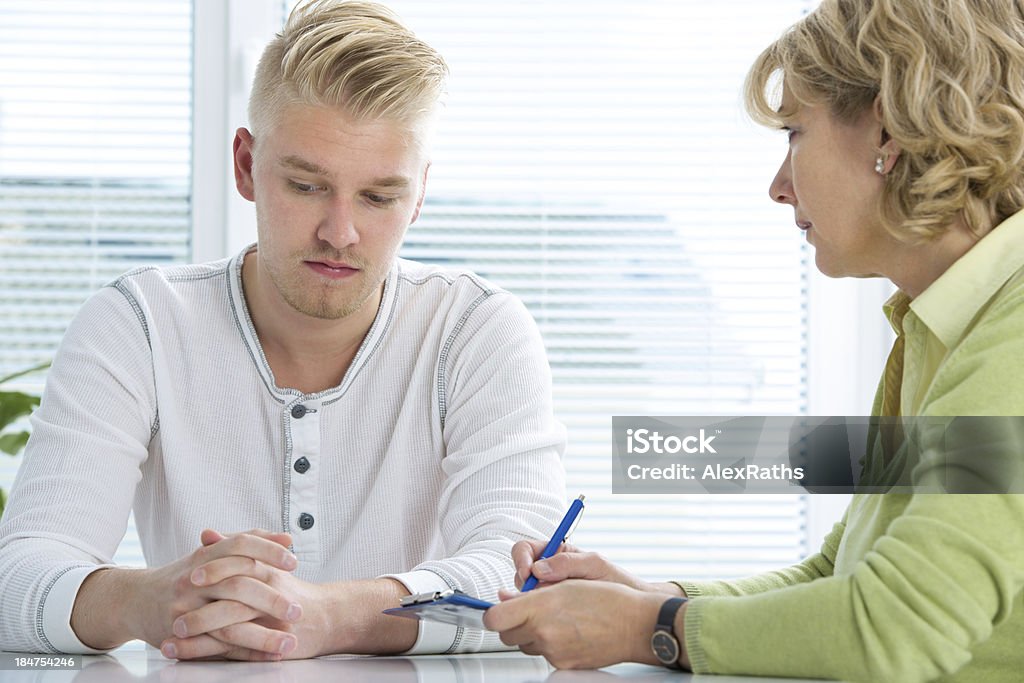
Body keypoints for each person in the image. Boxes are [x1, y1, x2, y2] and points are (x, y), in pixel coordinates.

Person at [0, 0, 566, 661]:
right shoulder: (140, 324)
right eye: (305, 185)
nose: (339, 232)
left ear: (418, 197)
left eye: (379, 197)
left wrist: (337, 615)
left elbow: (528, 580)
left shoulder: (477, 330)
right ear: (245, 165)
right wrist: (148, 600)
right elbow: (17, 582)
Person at [484, 0, 1024, 680]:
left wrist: (643, 629)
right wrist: (656, 601)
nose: (777, 186)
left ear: (886, 131)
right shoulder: (940, 322)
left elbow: (894, 627)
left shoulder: (1015, 326)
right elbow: (841, 570)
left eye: (795, 132)